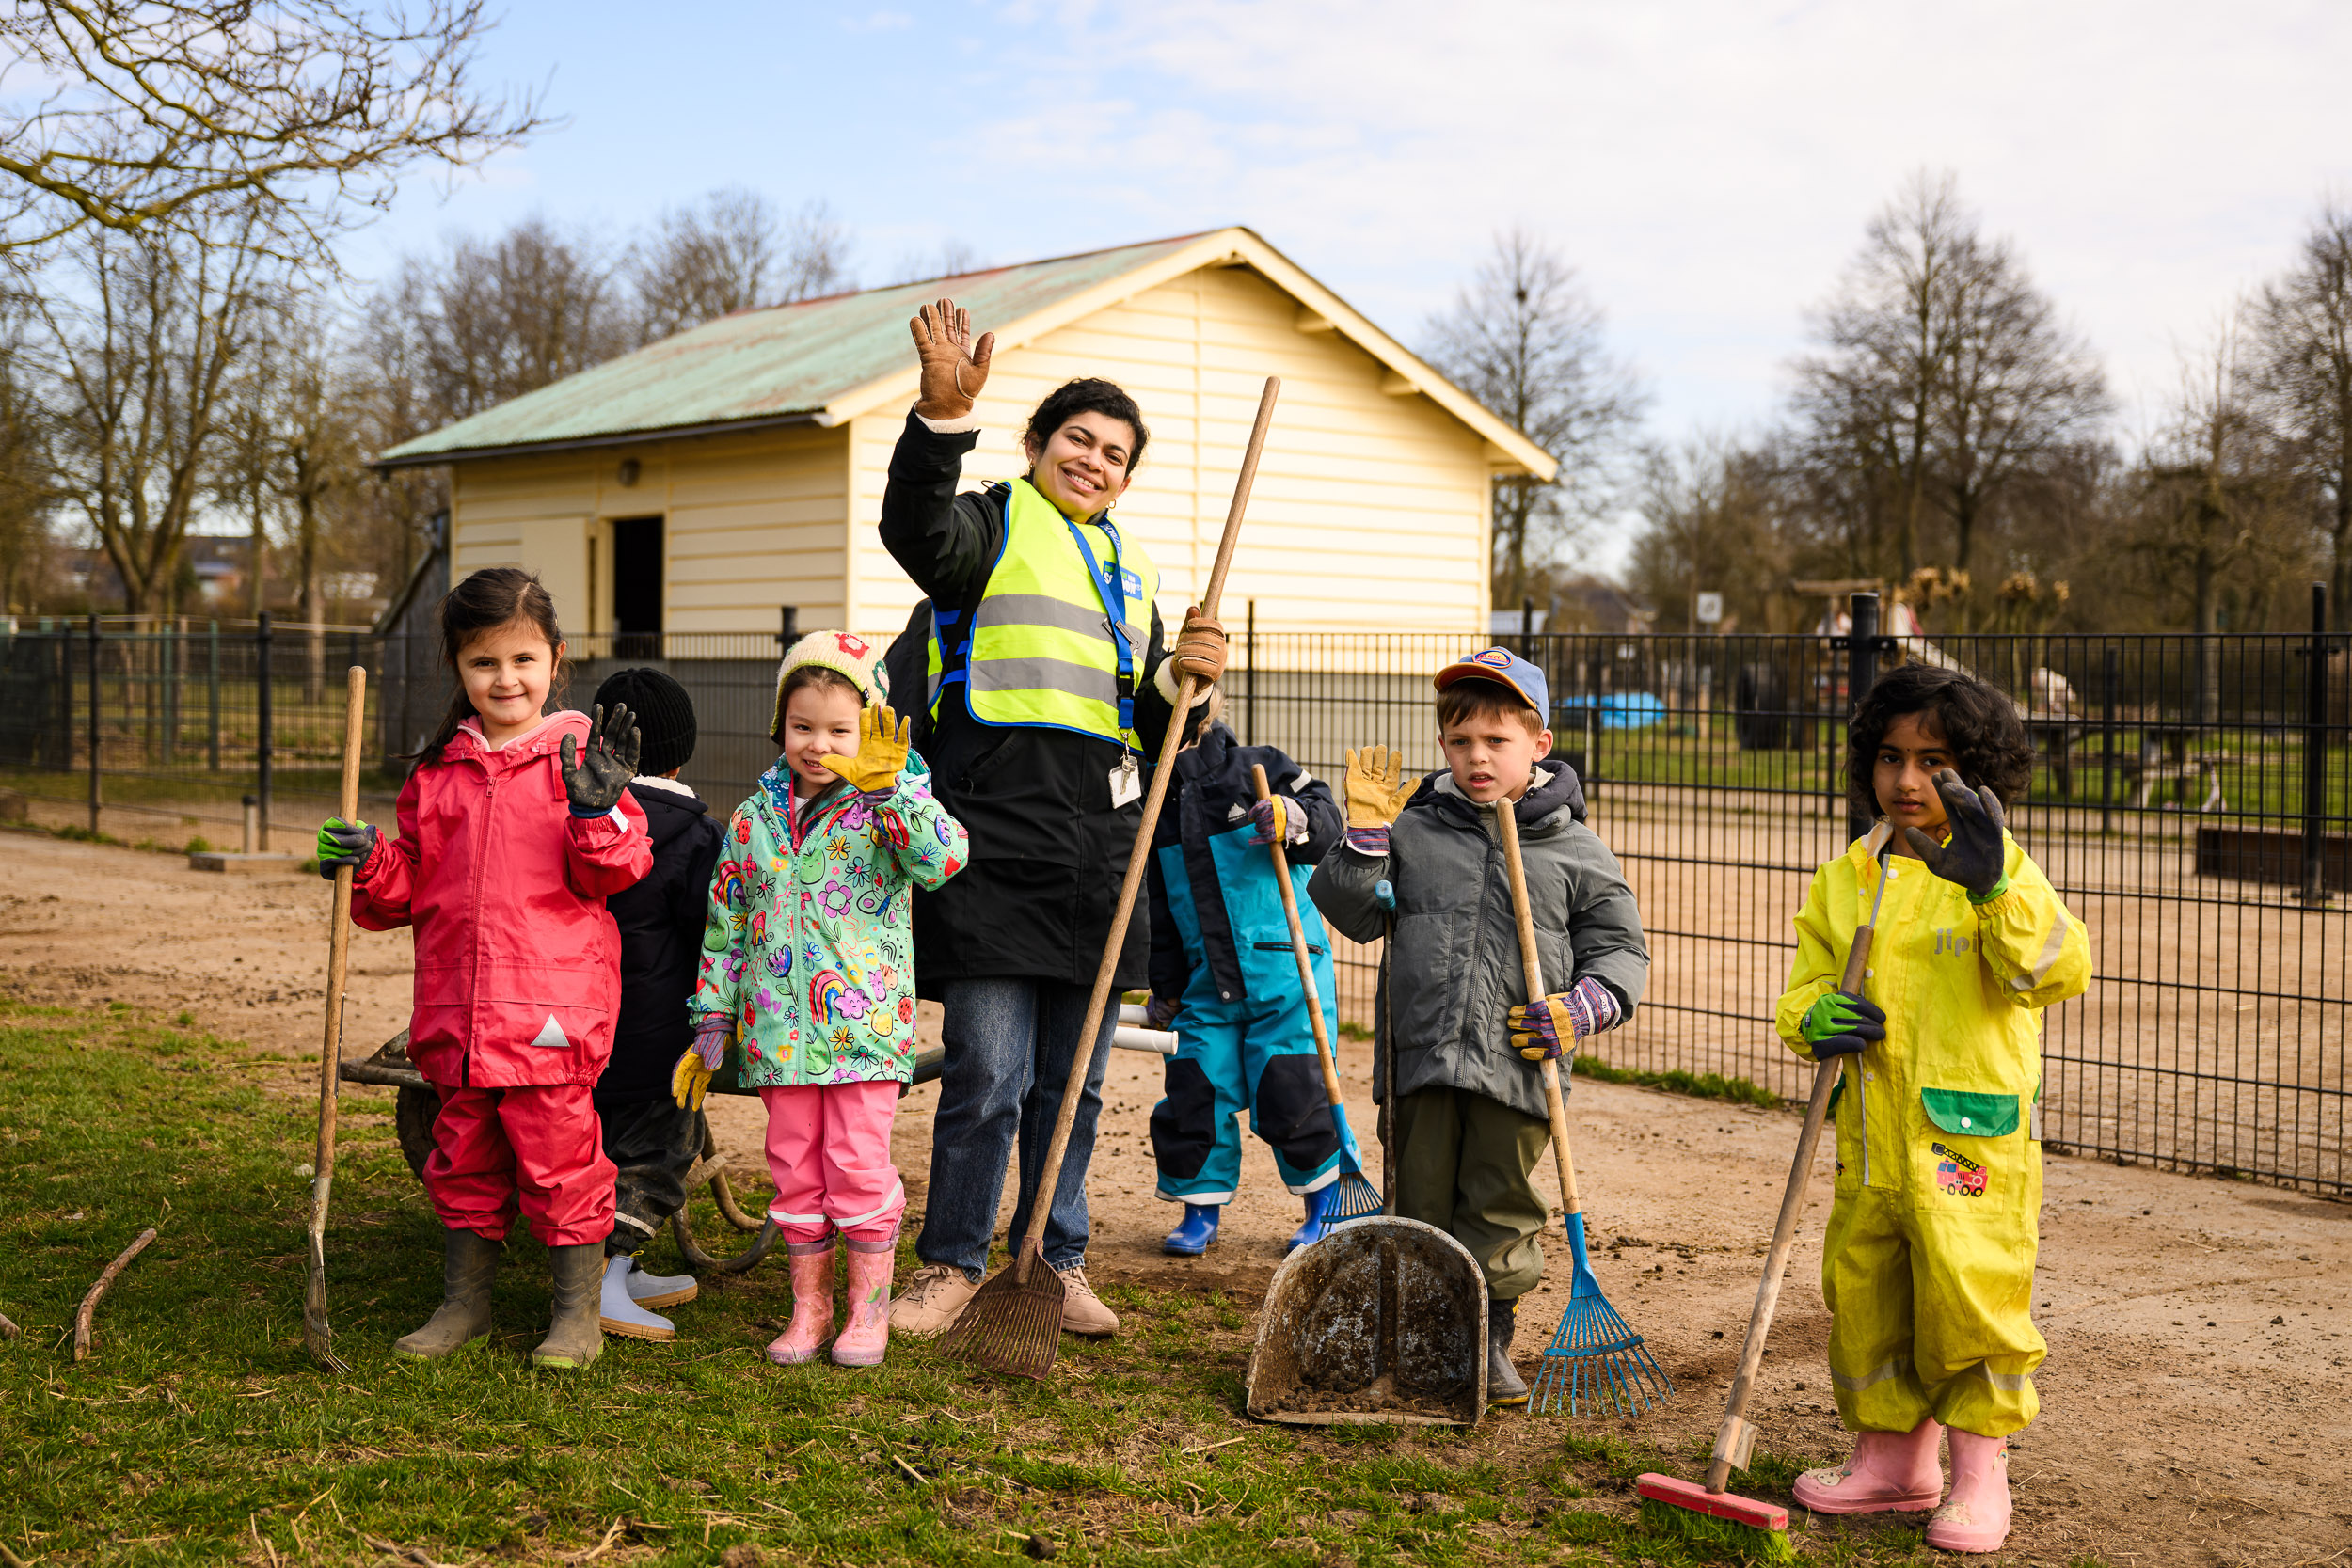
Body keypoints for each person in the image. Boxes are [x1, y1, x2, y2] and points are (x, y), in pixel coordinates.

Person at [876, 298, 1225, 1340]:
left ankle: (1056, 1256)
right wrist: (940, 422)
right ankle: (949, 1265)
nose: (1095, 459)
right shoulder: (985, 521)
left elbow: (1151, 722)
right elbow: (915, 532)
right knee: (987, 1072)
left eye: (1115, 452)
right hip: (987, 840)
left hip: (1094, 857)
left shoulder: (1135, 572)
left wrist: (1188, 681)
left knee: (1070, 1084)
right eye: (1078, 437)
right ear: (1035, 445)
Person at [1780, 661, 2088, 1555]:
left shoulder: (1998, 870)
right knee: (1870, 1295)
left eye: (1934, 759)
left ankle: (1980, 1476)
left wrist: (1994, 888)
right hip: (1872, 1144)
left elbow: (2056, 970)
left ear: (1979, 771)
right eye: (1889, 756)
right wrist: (1813, 1017)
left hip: (1970, 1145)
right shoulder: (1850, 876)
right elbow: (1802, 989)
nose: (1908, 780)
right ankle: (1890, 1461)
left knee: (1970, 1300)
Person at [318, 567, 651, 1369]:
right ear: (459, 669)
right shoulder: (438, 773)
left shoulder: (581, 764)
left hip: (547, 1013)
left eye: (523, 660)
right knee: (461, 1154)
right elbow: (405, 888)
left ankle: (575, 1314)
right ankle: (462, 1302)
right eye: (484, 663)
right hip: (457, 1013)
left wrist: (596, 809)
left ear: (556, 659)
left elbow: (619, 868)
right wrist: (366, 862)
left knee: (560, 1161)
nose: (506, 679)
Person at [1308, 649, 1648, 1409]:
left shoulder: (1575, 849)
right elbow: (1352, 914)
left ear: (1539, 745)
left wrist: (1584, 1005)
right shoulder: (1415, 831)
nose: (1478, 757)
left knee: (1500, 1206)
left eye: (1497, 741)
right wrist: (1364, 840)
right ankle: (1426, 1332)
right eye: (1461, 742)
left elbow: (1622, 950)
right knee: (1420, 1198)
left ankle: (1487, 1336)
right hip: (1422, 1057)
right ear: (1443, 747)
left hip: (1518, 1066)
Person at [677, 631, 967, 1369]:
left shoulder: (884, 804)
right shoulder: (753, 819)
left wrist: (892, 789)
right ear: (780, 723)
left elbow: (944, 859)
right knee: (795, 1167)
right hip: (778, 1033)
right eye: (803, 725)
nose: (818, 744)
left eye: (839, 729)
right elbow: (727, 921)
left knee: (856, 1162)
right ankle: (809, 1308)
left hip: (863, 1032)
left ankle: (866, 1311)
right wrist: (713, 1013)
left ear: (868, 728)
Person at [1142, 710, 1349, 1256]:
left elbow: (1329, 823)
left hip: (1283, 969)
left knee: (1294, 1086)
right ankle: (1200, 1208)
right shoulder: (1152, 802)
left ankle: (1324, 1204)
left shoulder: (1259, 766)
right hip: (1203, 981)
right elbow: (1156, 908)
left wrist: (1294, 816)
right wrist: (1164, 985)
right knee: (1195, 1088)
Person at [585, 667, 723, 1343]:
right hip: (655, 1037)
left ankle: (623, 1268)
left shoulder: (580, 817)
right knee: (662, 1149)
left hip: (582, 1028)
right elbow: (710, 934)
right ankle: (608, 1280)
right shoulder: (696, 837)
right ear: (683, 749)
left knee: (598, 1147)